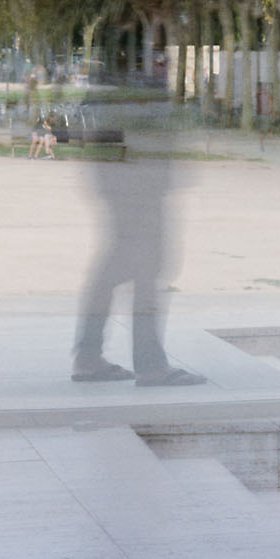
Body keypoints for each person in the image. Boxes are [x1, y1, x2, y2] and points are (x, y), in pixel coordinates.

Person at [71, 147, 206, 386]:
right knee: (147, 268)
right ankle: (150, 364)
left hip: (126, 171)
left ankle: (89, 356)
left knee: (117, 266)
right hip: (139, 174)